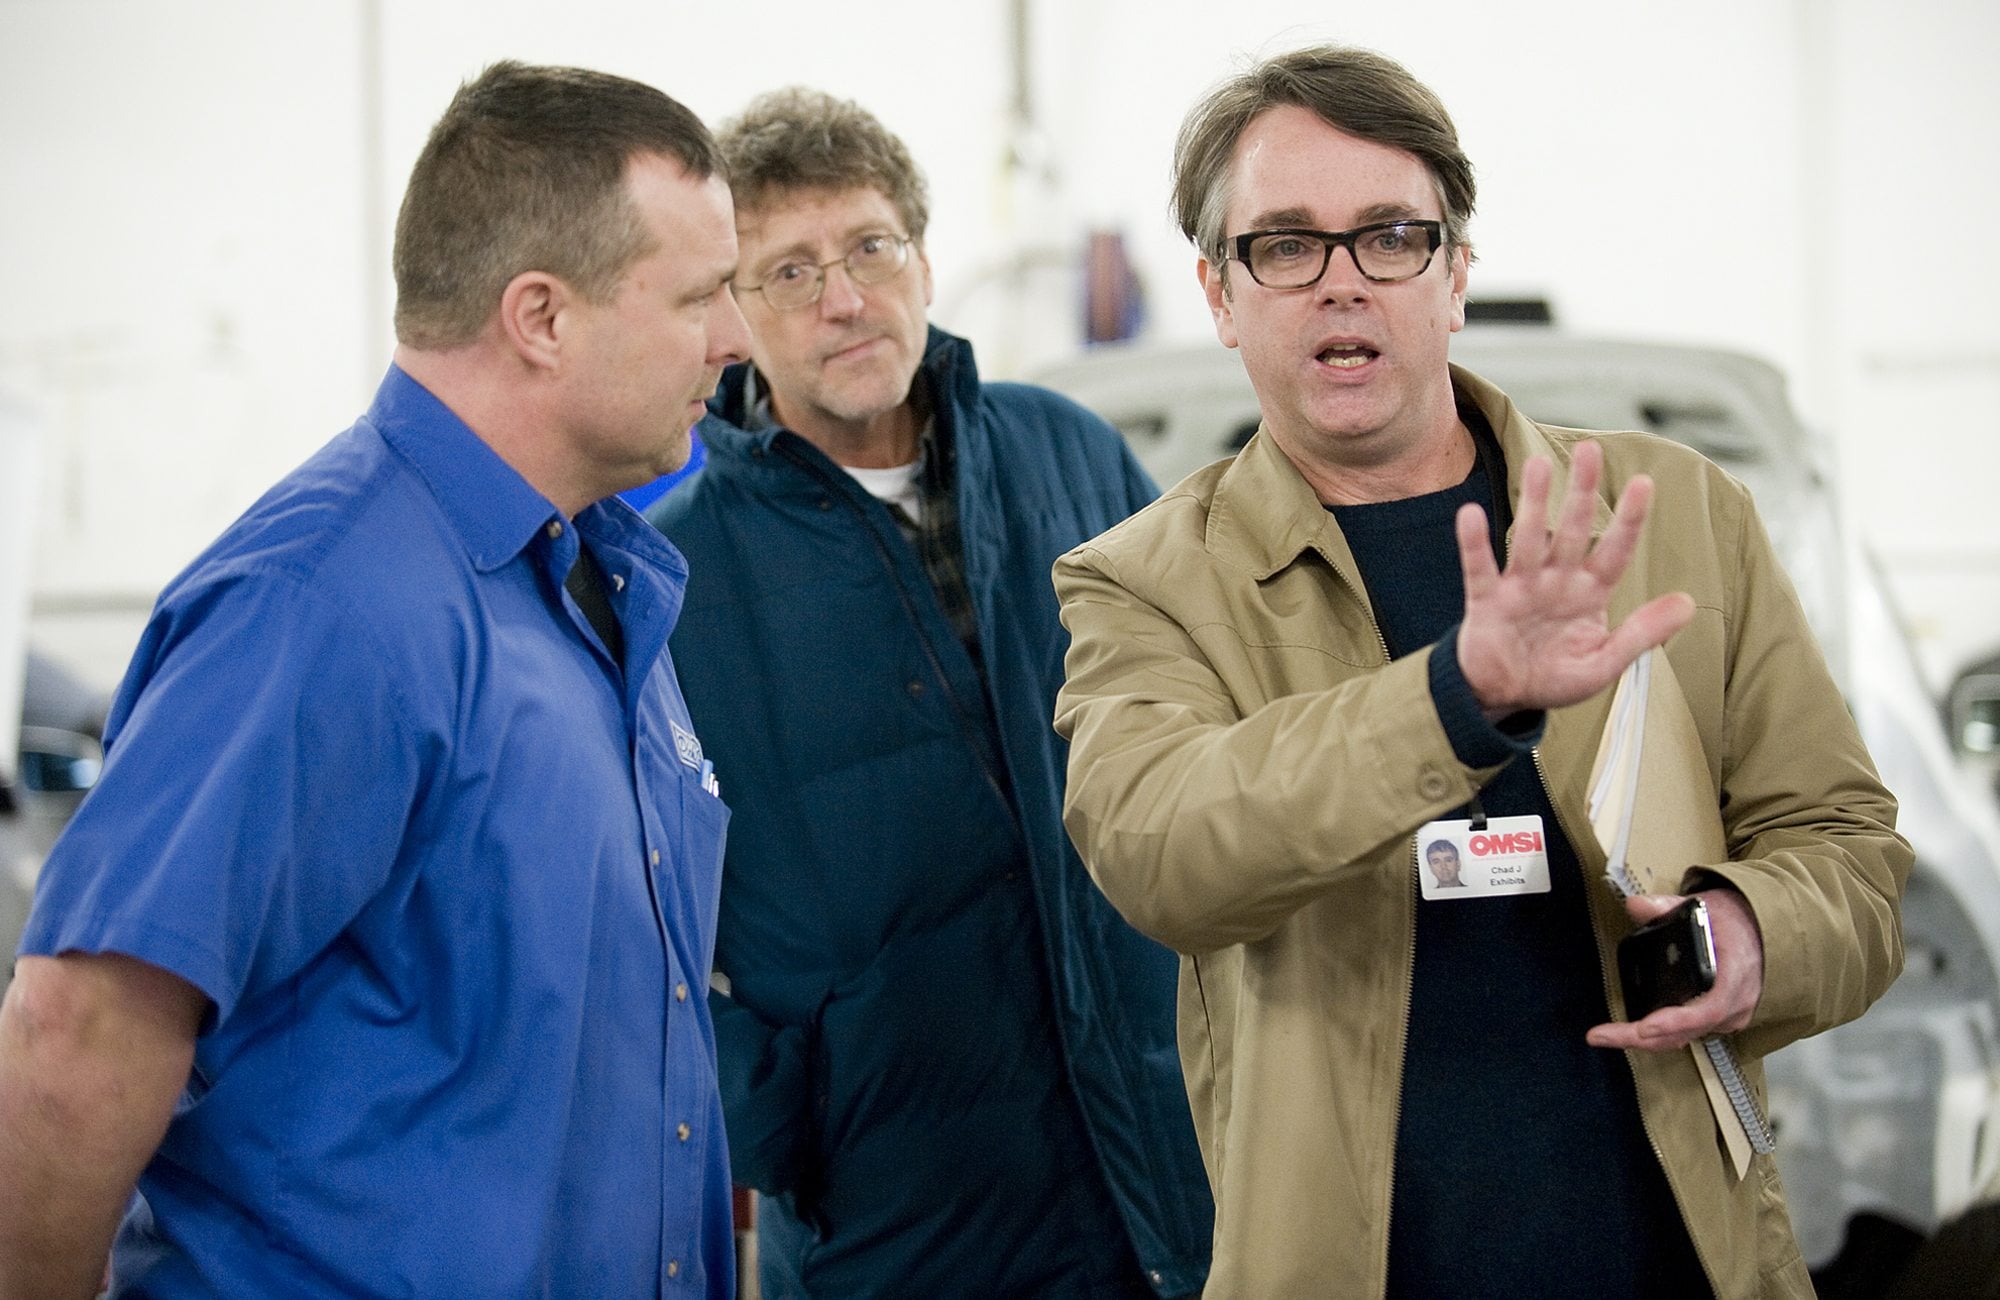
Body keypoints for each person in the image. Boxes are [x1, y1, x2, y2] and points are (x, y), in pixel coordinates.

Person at [1051, 44, 1912, 1300]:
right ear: (1219, 293)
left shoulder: (1673, 515)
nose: (1340, 283)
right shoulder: (1143, 581)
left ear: (1455, 273)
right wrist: (1455, 696)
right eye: (1284, 245)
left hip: (1677, 1262)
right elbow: (1164, 854)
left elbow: (1849, 856)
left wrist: (1749, 929)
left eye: (1390, 235)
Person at [0, 61, 750, 1298]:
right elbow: (75, 1034)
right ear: (541, 317)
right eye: (700, 295)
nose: (733, 338)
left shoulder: (589, 582)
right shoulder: (327, 604)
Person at [647, 87, 1212, 1299]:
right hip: (896, 1216)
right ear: (733, 314)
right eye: (787, 271)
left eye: (868, 247)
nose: (843, 297)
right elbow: (647, 900)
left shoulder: (1065, 451)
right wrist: (780, 1118)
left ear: (924, 258)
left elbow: (1204, 731)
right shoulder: (675, 575)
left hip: (1163, 1151)